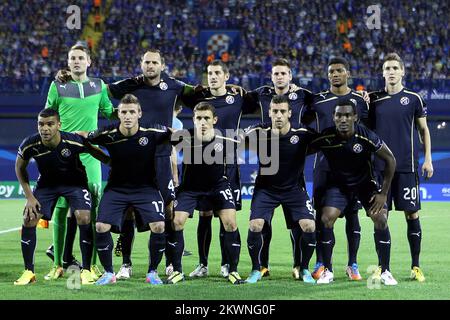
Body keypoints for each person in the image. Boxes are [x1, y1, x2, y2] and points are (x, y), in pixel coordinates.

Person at [83, 94, 174, 285]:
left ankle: (152, 272)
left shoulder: (152, 133)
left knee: (159, 226)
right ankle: (109, 273)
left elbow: (179, 137)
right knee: (100, 226)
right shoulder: (107, 134)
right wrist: (106, 159)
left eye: (132, 112)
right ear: (118, 114)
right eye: (123, 112)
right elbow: (85, 139)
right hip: (116, 189)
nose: (128, 116)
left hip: (146, 188)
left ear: (139, 113)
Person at [181, 60, 259, 279]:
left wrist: (244, 90)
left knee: (227, 215)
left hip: (229, 163)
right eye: (209, 73)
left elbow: (259, 102)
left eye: (217, 73)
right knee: (204, 214)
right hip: (202, 163)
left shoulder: (238, 98)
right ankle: (202, 264)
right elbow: (178, 96)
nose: (213, 76)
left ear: (227, 76)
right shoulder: (200, 99)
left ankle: (226, 264)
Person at [44, 44, 116, 282]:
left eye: (80, 58)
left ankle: (90, 266)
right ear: (68, 62)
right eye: (72, 58)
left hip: (91, 154)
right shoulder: (58, 86)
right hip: (64, 156)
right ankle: (58, 265)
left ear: (89, 62)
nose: (76, 61)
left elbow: (109, 112)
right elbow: (47, 118)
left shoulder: (99, 85)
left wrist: (133, 108)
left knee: (92, 209)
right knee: (62, 209)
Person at [14, 108, 109, 285]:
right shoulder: (30, 144)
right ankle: (29, 272)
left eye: (50, 124)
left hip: (75, 183)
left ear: (59, 125)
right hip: (47, 185)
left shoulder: (72, 141)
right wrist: (29, 197)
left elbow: (94, 151)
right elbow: (19, 167)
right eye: (41, 124)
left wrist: (114, 164)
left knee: (84, 216)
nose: (45, 128)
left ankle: (86, 270)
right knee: (29, 218)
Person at [310, 100, 398, 285]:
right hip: (338, 186)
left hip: (365, 185)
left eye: (347, 115)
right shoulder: (326, 137)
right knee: (326, 219)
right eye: (339, 115)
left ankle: (386, 271)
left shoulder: (366, 136)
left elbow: (391, 159)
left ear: (355, 117)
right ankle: (327, 270)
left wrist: (383, 193)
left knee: (381, 218)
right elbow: (302, 148)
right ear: (333, 117)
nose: (343, 119)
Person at [245, 58, 314, 279]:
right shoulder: (262, 95)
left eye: (283, 73)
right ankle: (260, 267)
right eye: (276, 73)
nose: (280, 77)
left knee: (300, 225)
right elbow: (241, 99)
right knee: (260, 224)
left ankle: (299, 266)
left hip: (294, 177)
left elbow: (323, 103)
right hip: (267, 172)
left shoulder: (303, 98)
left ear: (290, 76)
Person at [302, 57, 369, 281]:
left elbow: (368, 132)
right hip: (323, 168)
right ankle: (322, 262)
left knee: (353, 215)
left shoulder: (360, 100)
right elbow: (303, 120)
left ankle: (353, 264)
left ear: (347, 73)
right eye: (331, 71)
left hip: (354, 170)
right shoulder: (318, 101)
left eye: (339, 70)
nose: (335, 74)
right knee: (321, 216)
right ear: (327, 75)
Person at [369, 53, 433, 282]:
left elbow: (424, 130)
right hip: (380, 168)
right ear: (383, 72)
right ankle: (382, 267)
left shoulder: (414, 98)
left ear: (402, 71)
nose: (392, 71)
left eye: (395, 67)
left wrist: (428, 159)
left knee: (412, 214)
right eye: (387, 68)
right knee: (380, 216)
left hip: (406, 166)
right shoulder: (373, 100)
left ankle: (415, 266)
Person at [167, 102, 245, 285]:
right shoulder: (183, 137)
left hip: (218, 186)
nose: (202, 122)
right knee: (176, 221)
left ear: (214, 120)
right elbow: (162, 138)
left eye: (206, 118)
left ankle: (233, 271)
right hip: (190, 188)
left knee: (231, 223)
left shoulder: (227, 141)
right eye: (199, 118)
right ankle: (177, 270)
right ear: (193, 119)